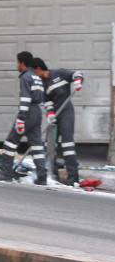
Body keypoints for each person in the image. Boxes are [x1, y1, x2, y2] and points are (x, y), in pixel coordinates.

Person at [0, 51, 47, 184]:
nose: (16, 65)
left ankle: (5, 172)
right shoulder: (36, 77)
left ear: (22, 63)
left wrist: (21, 118)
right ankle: (42, 176)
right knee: (37, 146)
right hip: (37, 112)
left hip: (27, 112)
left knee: (10, 143)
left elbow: (26, 99)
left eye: (17, 62)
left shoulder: (26, 77)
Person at [31, 57, 84, 185]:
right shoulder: (43, 84)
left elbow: (77, 74)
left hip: (66, 112)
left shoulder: (59, 74)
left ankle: (73, 176)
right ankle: (51, 173)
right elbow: (47, 101)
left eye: (33, 72)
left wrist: (78, 81)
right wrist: (49, 113)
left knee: (67, 145)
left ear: (38, 69)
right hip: (55, 115)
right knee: (49, 145)